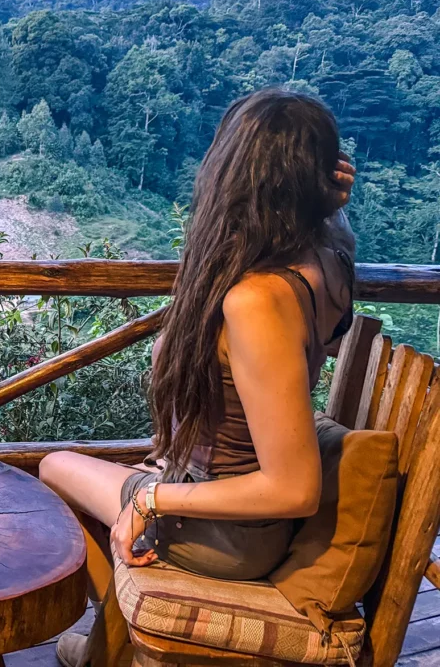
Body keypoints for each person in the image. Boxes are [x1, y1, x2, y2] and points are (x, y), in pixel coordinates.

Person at [39, 88, 358, 667]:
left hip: (231, 534)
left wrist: (155, 499)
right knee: (91, 476)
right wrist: (332, 207)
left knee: (53, 466)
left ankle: (105, 651)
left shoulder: (258, 299)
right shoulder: (331, 256)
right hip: (232, 510)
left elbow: (295, 487)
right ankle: (106, 644)